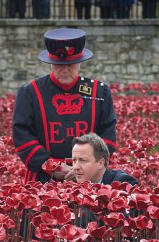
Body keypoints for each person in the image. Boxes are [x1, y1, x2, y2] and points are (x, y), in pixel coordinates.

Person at [12, 28, 117, 184]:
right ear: (50, 63)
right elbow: (22, 137)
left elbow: (108, 137)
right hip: (43, 177)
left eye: (71, 64)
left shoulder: (99, 91)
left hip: (90, 178)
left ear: (80, 62)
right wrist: (53, 166)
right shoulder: (30, 92)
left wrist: (83, 168)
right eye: (59, 65)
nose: (65, 70)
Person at [72, 133, 137, 185]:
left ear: (100, 163)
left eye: (83, 160)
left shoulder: (122, 182)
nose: (76, 167)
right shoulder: (71, 185)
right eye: (74, 160)